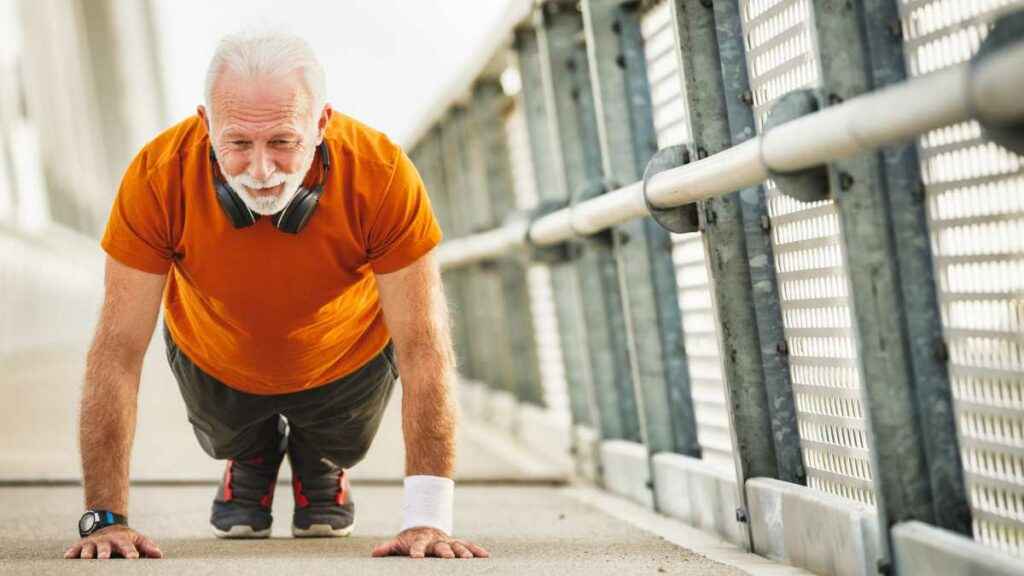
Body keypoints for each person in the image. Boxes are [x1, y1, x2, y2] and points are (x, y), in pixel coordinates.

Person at [63, 30, 488, 561]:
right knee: (230, 436)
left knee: (341, 441)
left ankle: (321, 458)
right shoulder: (157, 176)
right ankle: (249, 455)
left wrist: (429, 519)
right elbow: (116, 353)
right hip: (215, 354)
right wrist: (102, 520)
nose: (261, 172)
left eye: (283, 142)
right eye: (237, 143)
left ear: (322, 125)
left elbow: (425, 348)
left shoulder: (381, 175)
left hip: (345, 358)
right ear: (205, 125)